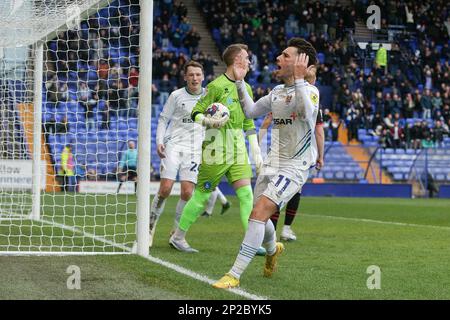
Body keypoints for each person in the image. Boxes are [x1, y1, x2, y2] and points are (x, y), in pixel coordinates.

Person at [213, 38, 319, 288]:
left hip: (295, 167)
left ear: (300, 62)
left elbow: (304, 112)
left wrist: (302, 79)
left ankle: (234, 275)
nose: (278, 59)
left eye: (284, 55)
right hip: (272, 163)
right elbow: (250, 112)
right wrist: (239, 83)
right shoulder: (276, 93)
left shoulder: (311, 92)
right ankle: (273, 250)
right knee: (259, 215)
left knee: (259, 211)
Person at [169, 43, 264, 254]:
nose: (249, 61)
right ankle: (178, 236)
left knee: (247, 195)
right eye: (246, 57)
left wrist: (255, 149)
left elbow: (248, 122)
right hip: (216, 146)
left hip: (238, 146)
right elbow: (196, 112)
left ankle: (251, 244)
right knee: (202, 195)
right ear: (237, 60)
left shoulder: (246, 88)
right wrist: (209, 122)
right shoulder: (216, 86)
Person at [259, 66, 325, 242]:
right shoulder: (310, 100)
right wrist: (320, 155)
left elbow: (266, 120)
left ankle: (268, 231)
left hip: (277, 149)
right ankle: (284, 229)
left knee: (271, 193)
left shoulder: (281, 95)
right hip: (296, 154)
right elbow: (319, 131)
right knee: (288, 192)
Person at [149, 61, 207, 247]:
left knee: (188, 192)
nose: (195, 78)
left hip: (194, 149)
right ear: (185, 77)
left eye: (198, 74)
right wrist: (159, 142)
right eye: (191, 75)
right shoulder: (176, 96)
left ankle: (175, 233)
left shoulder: (209, 96)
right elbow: (163, 119)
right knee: (165, 188)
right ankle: (149, 228)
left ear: (203, 77)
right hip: (173, 145)